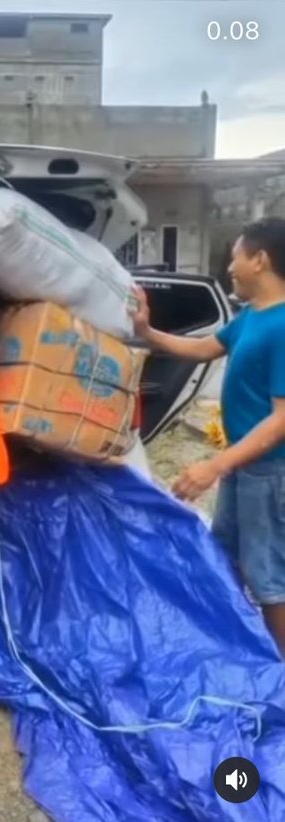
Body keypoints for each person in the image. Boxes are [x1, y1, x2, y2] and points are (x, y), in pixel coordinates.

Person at [131, 216, 285, 653]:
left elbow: (281, 420)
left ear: (260, 259)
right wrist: (145, 332)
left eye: (236, 255)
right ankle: (238, 649)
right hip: (245, 466)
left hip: (271, 472)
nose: (231, 265)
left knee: (268, 573)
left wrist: (212, 466)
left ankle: (280, 679)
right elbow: (203, 349)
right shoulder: (251, 316)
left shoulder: (284, 326)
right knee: (227, 555)